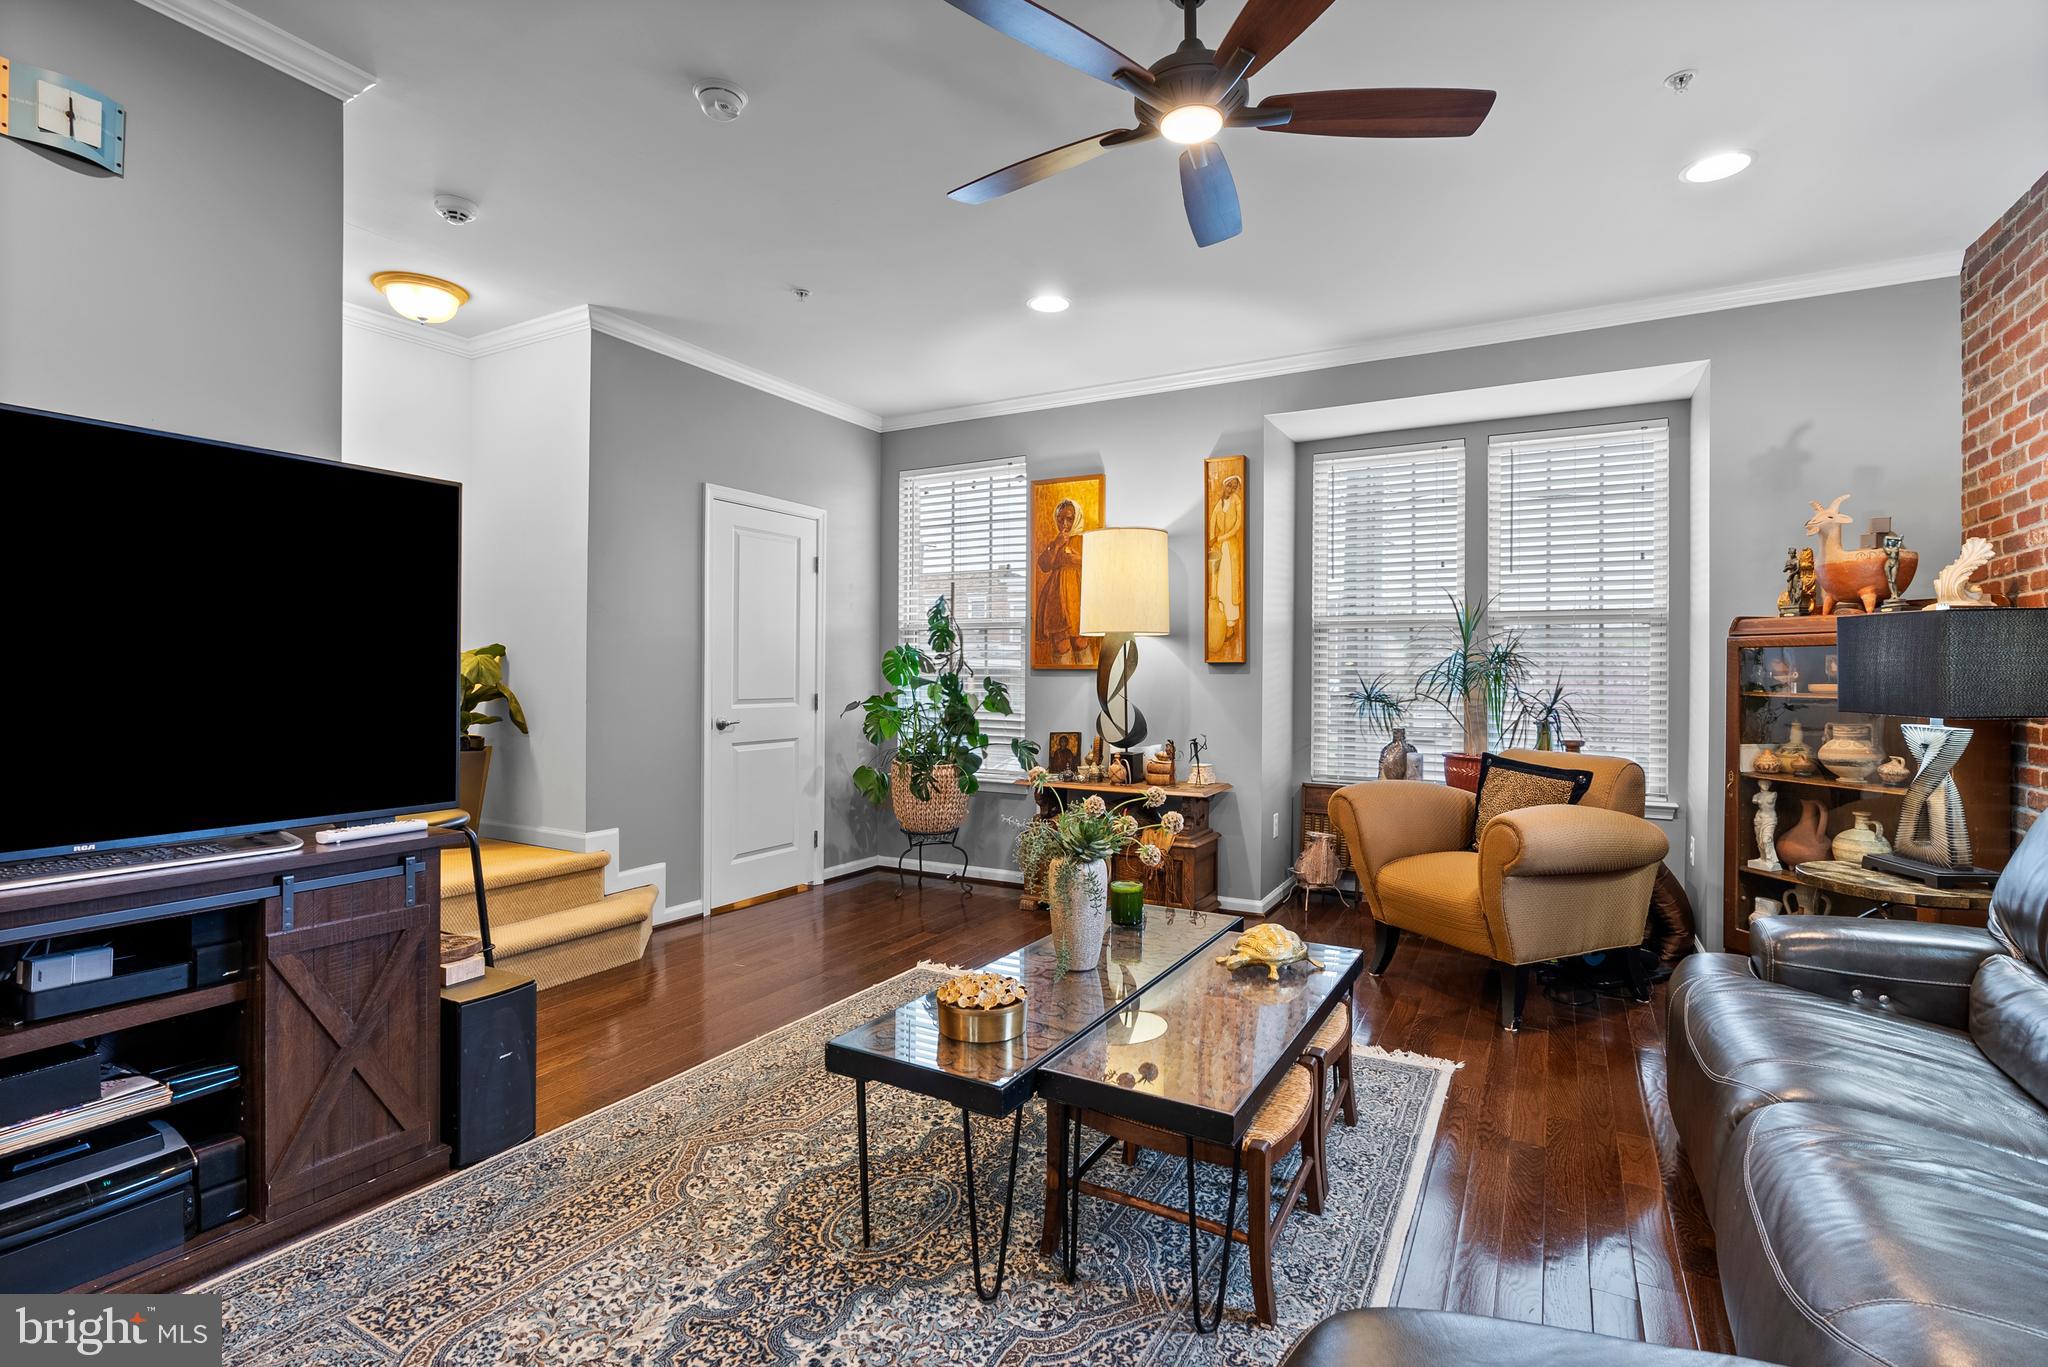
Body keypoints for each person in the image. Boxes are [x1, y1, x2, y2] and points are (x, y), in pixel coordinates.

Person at [1036, 498, 1087, 665]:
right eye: (1060, 518)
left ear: (1077, 518)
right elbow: (1043, 565)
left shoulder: (1085, 541)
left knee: (1079, 641)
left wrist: (1081, 559)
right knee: (1060, 643)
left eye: (1069, 518)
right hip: (1055, 598)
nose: (1064, 523)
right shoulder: (1055, 542)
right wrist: (1056, 545)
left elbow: (1099, 566)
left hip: (1077, 594)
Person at [1207, 473, 1244, 656]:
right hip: (1220, 548)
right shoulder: (1219, 503)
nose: (1231, 489)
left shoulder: (1236, 501)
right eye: (1229, 486)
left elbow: (1237, 525)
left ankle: (1230, 624)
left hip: (1231, 548)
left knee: (1230, 585)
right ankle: (1220, 624)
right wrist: (1211, 539)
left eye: (1234, 487)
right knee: (1219, 585)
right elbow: (1212, 521)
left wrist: (1220, 537)